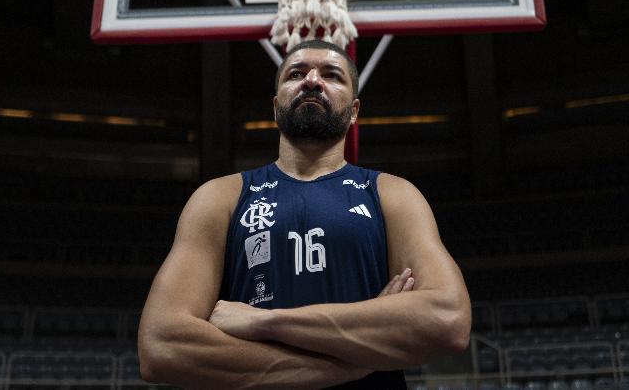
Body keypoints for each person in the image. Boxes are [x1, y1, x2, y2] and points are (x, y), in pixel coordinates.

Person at [137, 39, 471, 389]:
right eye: (296, 73)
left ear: (354, 111)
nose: (312, 80)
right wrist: (352, 362)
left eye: (332, 75)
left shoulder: (393, 194)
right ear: (276, 104)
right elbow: (162, 346)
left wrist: (266, 322)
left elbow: (447, 318)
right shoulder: (220, 197)